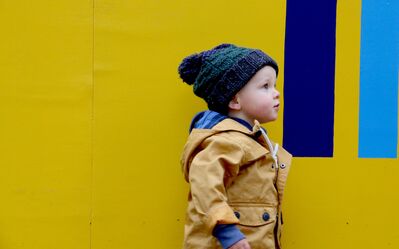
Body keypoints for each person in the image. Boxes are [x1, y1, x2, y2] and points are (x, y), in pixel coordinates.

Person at [178, 43, 292, 249]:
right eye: (265, 86)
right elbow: (204, 183)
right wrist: (228, 232)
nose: (276, 93)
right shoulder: (225, 140)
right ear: (235, 100)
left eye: (275, 85)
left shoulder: (250, 138)